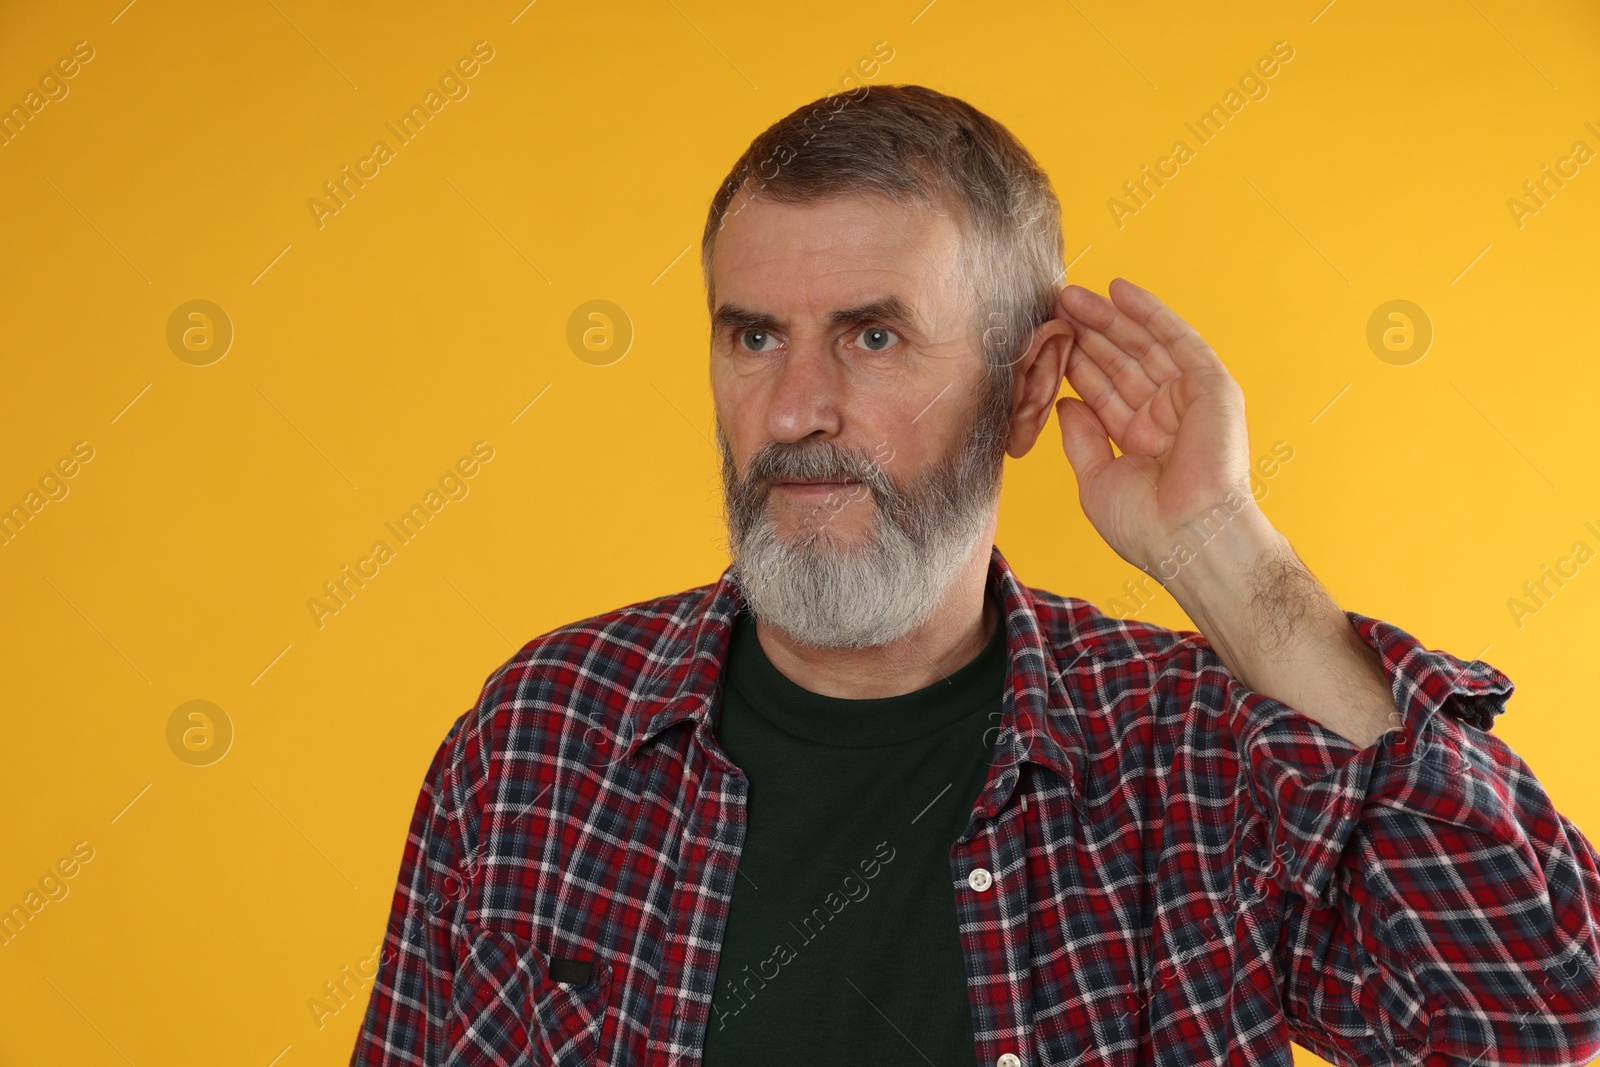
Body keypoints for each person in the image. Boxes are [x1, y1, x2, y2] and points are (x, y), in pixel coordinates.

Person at [349, 84, 1600, 1067]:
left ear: (1021, 383)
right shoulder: (538, 734)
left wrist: (1223, 548)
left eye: (873, 335)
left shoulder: (1193, 754)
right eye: (753, 335)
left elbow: (1531, 1010)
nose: (793, 410)